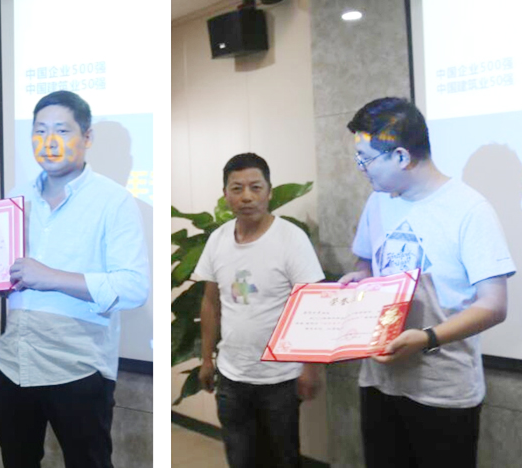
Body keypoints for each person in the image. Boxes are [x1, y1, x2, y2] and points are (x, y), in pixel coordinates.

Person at [340, 97, 516, 468]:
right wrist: (361, 278)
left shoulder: (470, 210)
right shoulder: (378, 201)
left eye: (366, 159)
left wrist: (427, 338)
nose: (361, 169)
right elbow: (367, 262)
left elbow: (494, 304)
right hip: (379, 381)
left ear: (401, 156)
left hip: (443, 392)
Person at [0, 90, 149, 468]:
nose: (49, 141)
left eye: (61, 130)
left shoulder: (114, 200)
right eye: (40, 130)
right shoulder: (17, 197)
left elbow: (133, 287)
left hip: (78, 371)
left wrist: (52, 277)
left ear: (87, 137)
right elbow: (6, 271)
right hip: (13, 363)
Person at [195, 153, 325, 468]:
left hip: (280, 378)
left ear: (269, 191)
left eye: (255, 187)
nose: (246, 197)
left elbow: (312, 303)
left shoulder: (290, 238)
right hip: (232, 376)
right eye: (236, 188)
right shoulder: (218, 240)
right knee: (240, 458)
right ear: (225, 194)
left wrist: (310, 368)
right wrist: (206, 359)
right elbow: (210, 302)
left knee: (283, 459)